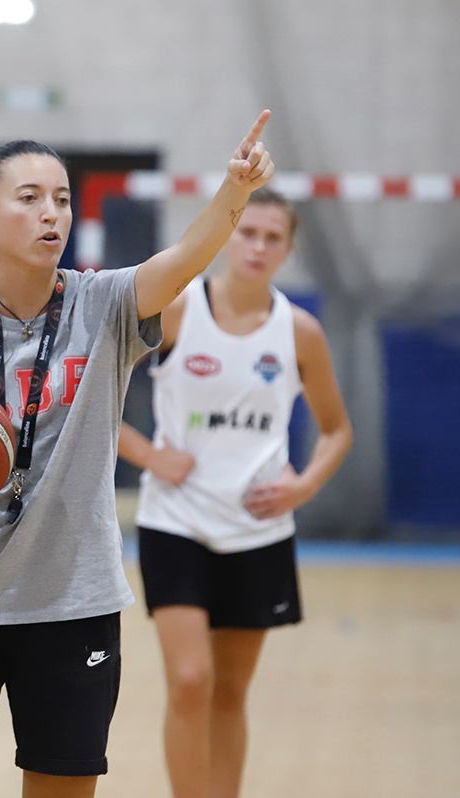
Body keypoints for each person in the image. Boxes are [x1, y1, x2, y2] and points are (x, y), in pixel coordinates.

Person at [0, 111, 276, 798]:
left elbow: (186, 259)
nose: (50, 214)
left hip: (72, 606)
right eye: (28, 199)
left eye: (60, 198)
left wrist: (234, 192)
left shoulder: (108, 304)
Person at [118, 187, 352, 798]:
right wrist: (147, 454)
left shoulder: (300, 332)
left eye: (273, 237)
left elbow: (336, 430)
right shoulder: (179, 310)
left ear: (288, 249)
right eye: (248, 232)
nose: (258, 246)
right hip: (177, 523)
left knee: (230, 693)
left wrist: (302, 486)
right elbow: (90, 391)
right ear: (227, 236)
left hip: (259, 528)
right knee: (191, 680)